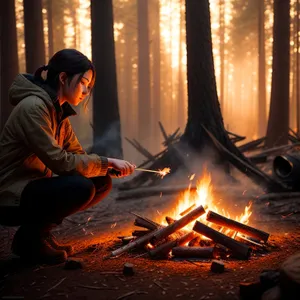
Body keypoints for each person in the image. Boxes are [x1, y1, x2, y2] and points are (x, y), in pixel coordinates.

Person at [0, 49, 135, 265]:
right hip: (10, 194)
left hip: (31, 188)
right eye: (83, 82)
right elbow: (61, 162)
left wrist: (106, 168)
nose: (86, 91)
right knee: (81, 188)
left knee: (100, 181)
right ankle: (30, 240)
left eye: (89, 86)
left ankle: (38, 234)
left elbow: (77, 157)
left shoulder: (59, 114)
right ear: (63, 78)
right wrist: (106, 161)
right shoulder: (33, 108)